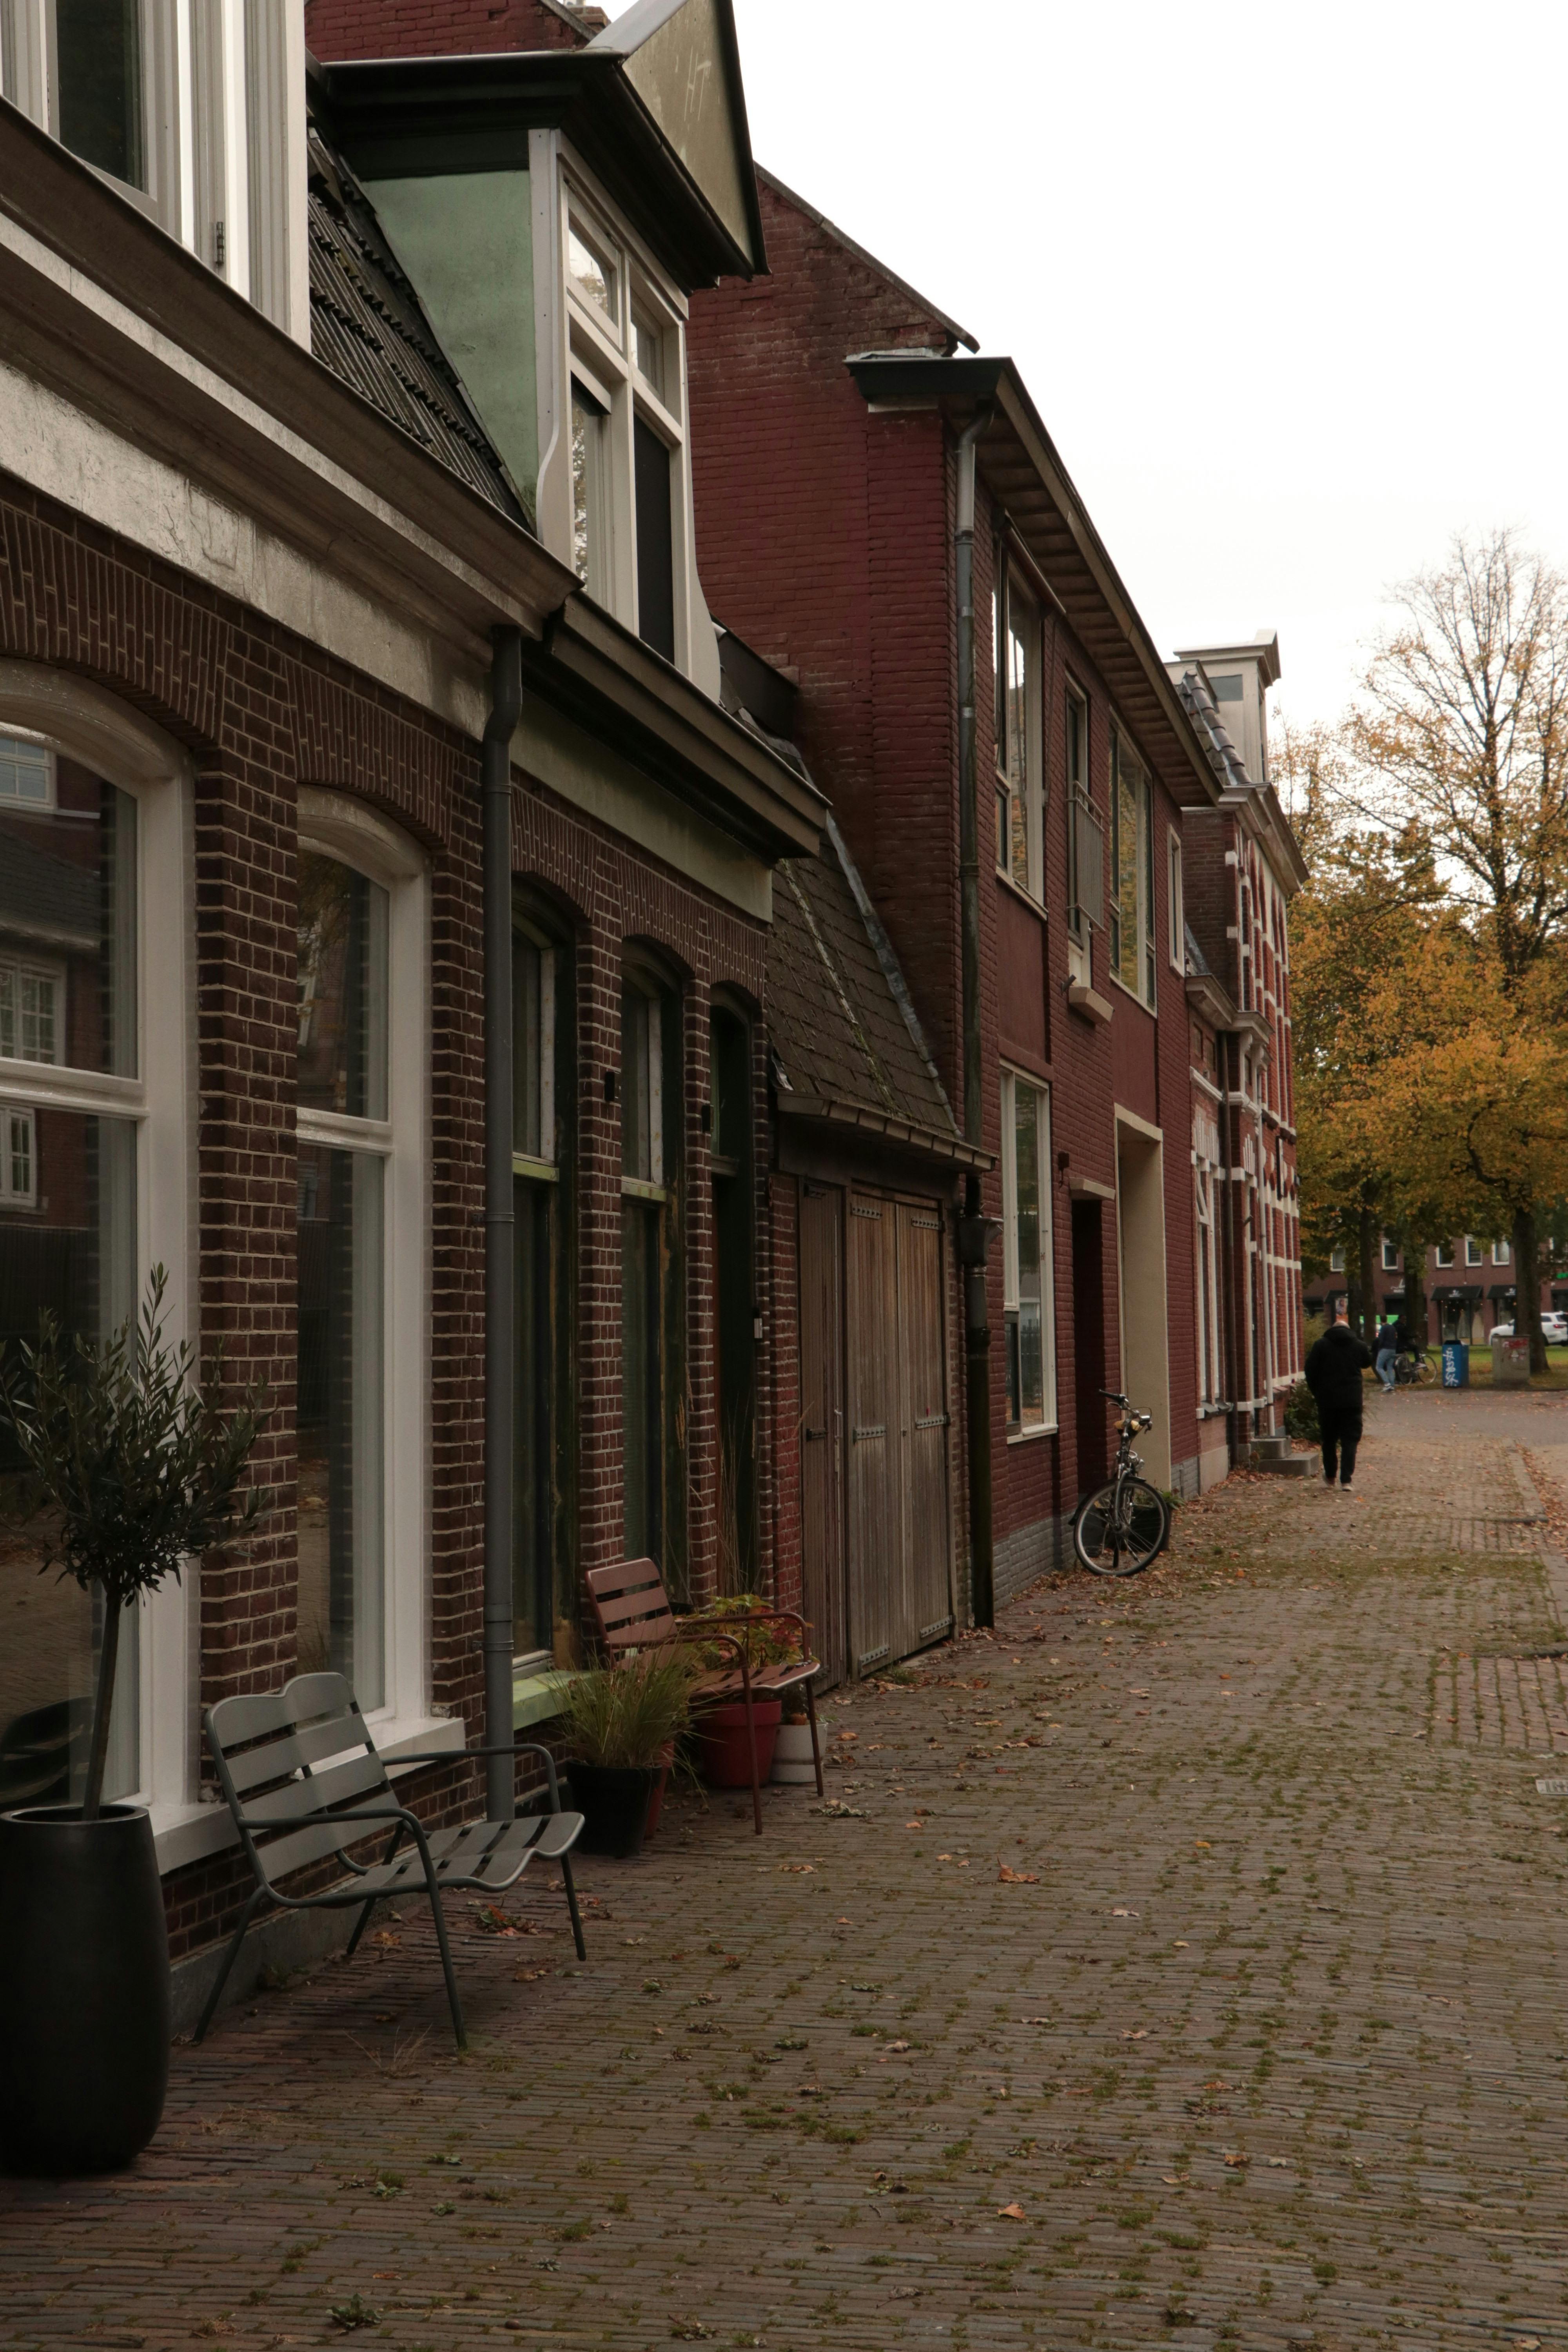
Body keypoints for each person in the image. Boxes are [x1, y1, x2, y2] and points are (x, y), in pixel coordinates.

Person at [1305, 1308, 1373, 1490]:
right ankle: (1346, 1480)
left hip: (1327, 1402)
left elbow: (1310, 1370)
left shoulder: (1321, 1345)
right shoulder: (1358, 1346)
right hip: (1352, 1402)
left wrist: (1316, 1392)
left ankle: (1330, 1476)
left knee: (1329, 1440)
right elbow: (1368, 1362)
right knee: (1350, 1440)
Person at [1374, 1313, 1402, 1394]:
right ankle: (1392, 1385)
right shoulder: (1393, 1328)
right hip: (1393, 1349)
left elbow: (1381, 1340)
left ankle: (1387, 1383)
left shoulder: (1383, 1328)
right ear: (1386, 1319)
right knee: (1390, 1367)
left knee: (1379, 1367)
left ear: (1381, 1320)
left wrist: (1379, 1349)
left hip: (1385, 1349)